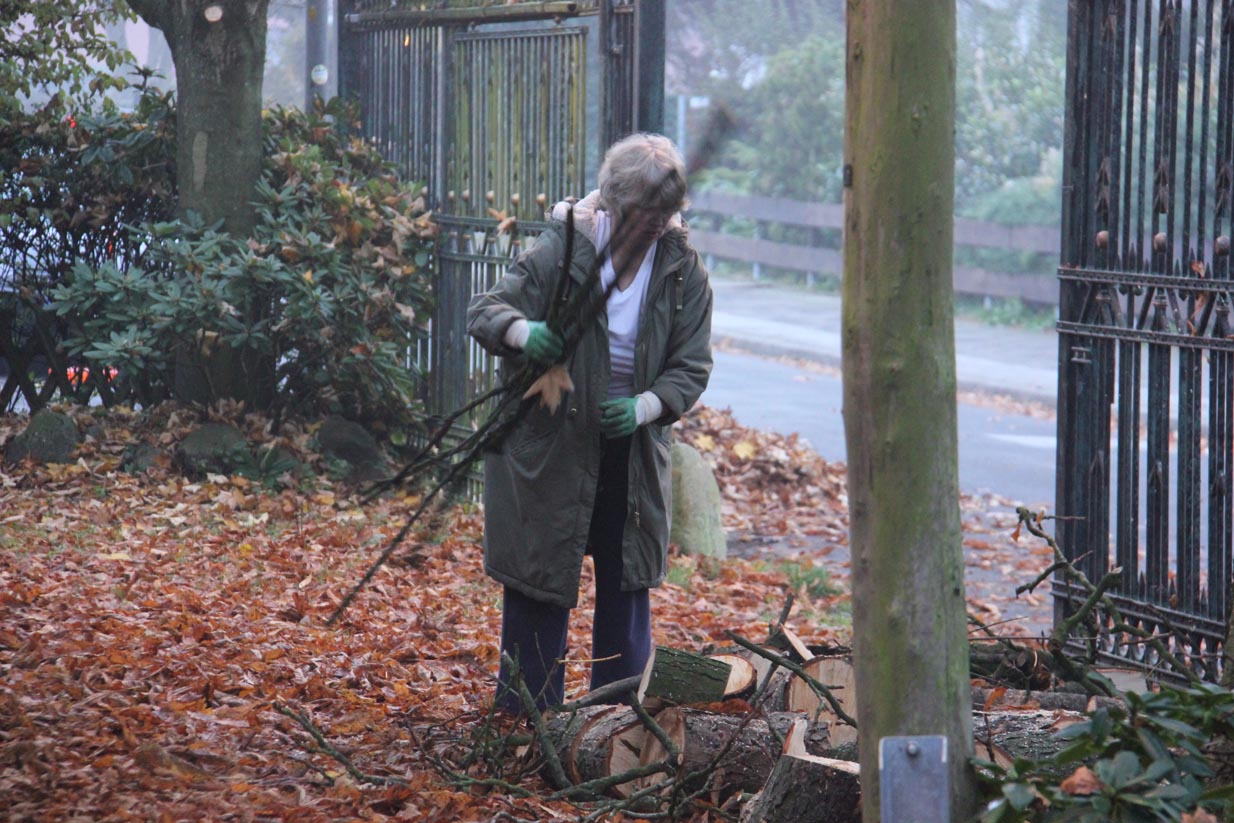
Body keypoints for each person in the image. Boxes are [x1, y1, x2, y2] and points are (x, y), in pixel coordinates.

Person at [466, 133, 714, 712]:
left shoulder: (683, 271)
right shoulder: (565, 250)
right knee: (539, 581)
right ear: (612, 204)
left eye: (665, 216)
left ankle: (617, 722)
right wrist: (525, 332)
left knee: (626, 589)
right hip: (552, 446)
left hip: (630, 455)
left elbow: (691, 365)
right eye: (644, 216)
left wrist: (644, 408)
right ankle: (528, 721)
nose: (655, 227)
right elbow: (486, 311)